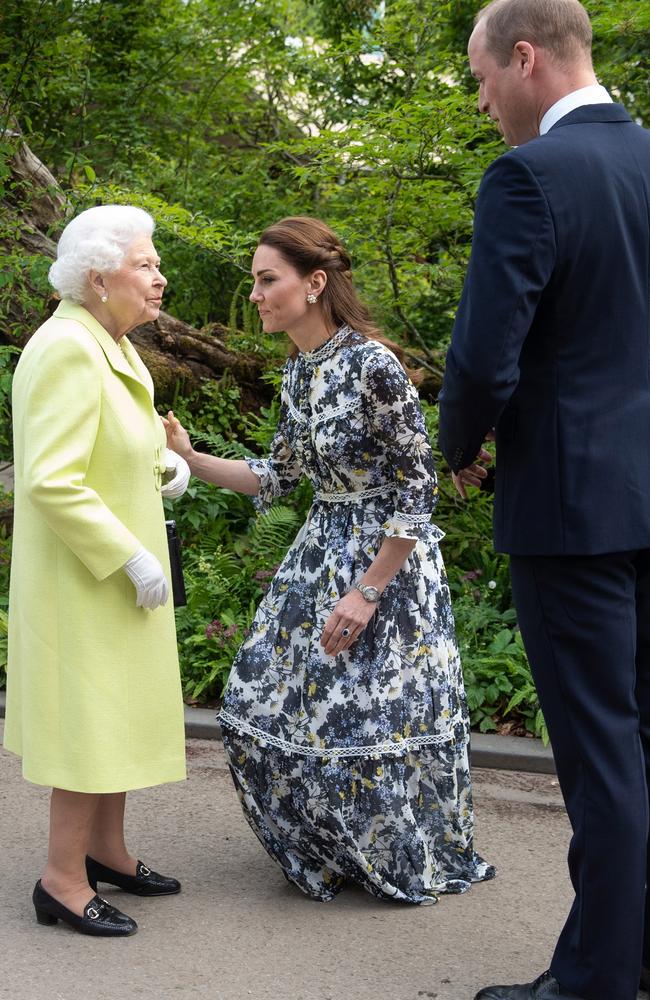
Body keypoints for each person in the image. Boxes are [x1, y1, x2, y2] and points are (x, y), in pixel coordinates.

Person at [165, 214, 494, 905]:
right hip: (319, 550)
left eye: (266, 280)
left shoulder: (373, 365)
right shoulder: (297, 374)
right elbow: (276, 476)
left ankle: (396, 856)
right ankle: (328, 850)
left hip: (386, 565)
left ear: (314, 283)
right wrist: (191, 459)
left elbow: (418, 486)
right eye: (254, 281)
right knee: (254, 702)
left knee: (371, 722)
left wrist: (368, 591)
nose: (255, 294)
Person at [437, 1, 650, 997]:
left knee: (601, 757)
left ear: (523, 59)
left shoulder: (529, 177)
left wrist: (461, 448)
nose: (483, 106)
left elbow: (483, 355)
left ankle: (593, 982)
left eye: (482, 82)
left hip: (570, 510)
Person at [4, 204, 191, 937]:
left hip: (113, 580)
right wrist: (131, 556)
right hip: (86, 580)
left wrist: (164, 462)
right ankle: (61, 878)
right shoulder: (66, 347)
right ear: (96, 277)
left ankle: (106, 851)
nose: (159, 277)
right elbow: (50, 479)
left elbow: (112, 441)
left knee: (115, 716)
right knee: (87, 724)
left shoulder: (106, 340)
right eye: (145, 265)